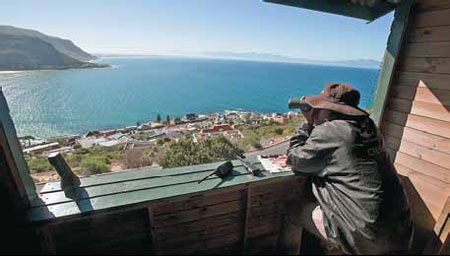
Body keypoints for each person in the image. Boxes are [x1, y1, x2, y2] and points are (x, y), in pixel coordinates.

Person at [286, 83, 413, 255]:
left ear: (329, 109)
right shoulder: (369, 127)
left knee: (295, 209)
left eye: (319, 107)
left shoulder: (331, 131)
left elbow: (295, 160)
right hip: (401, 232)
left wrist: (307, 125)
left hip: (368, 236)